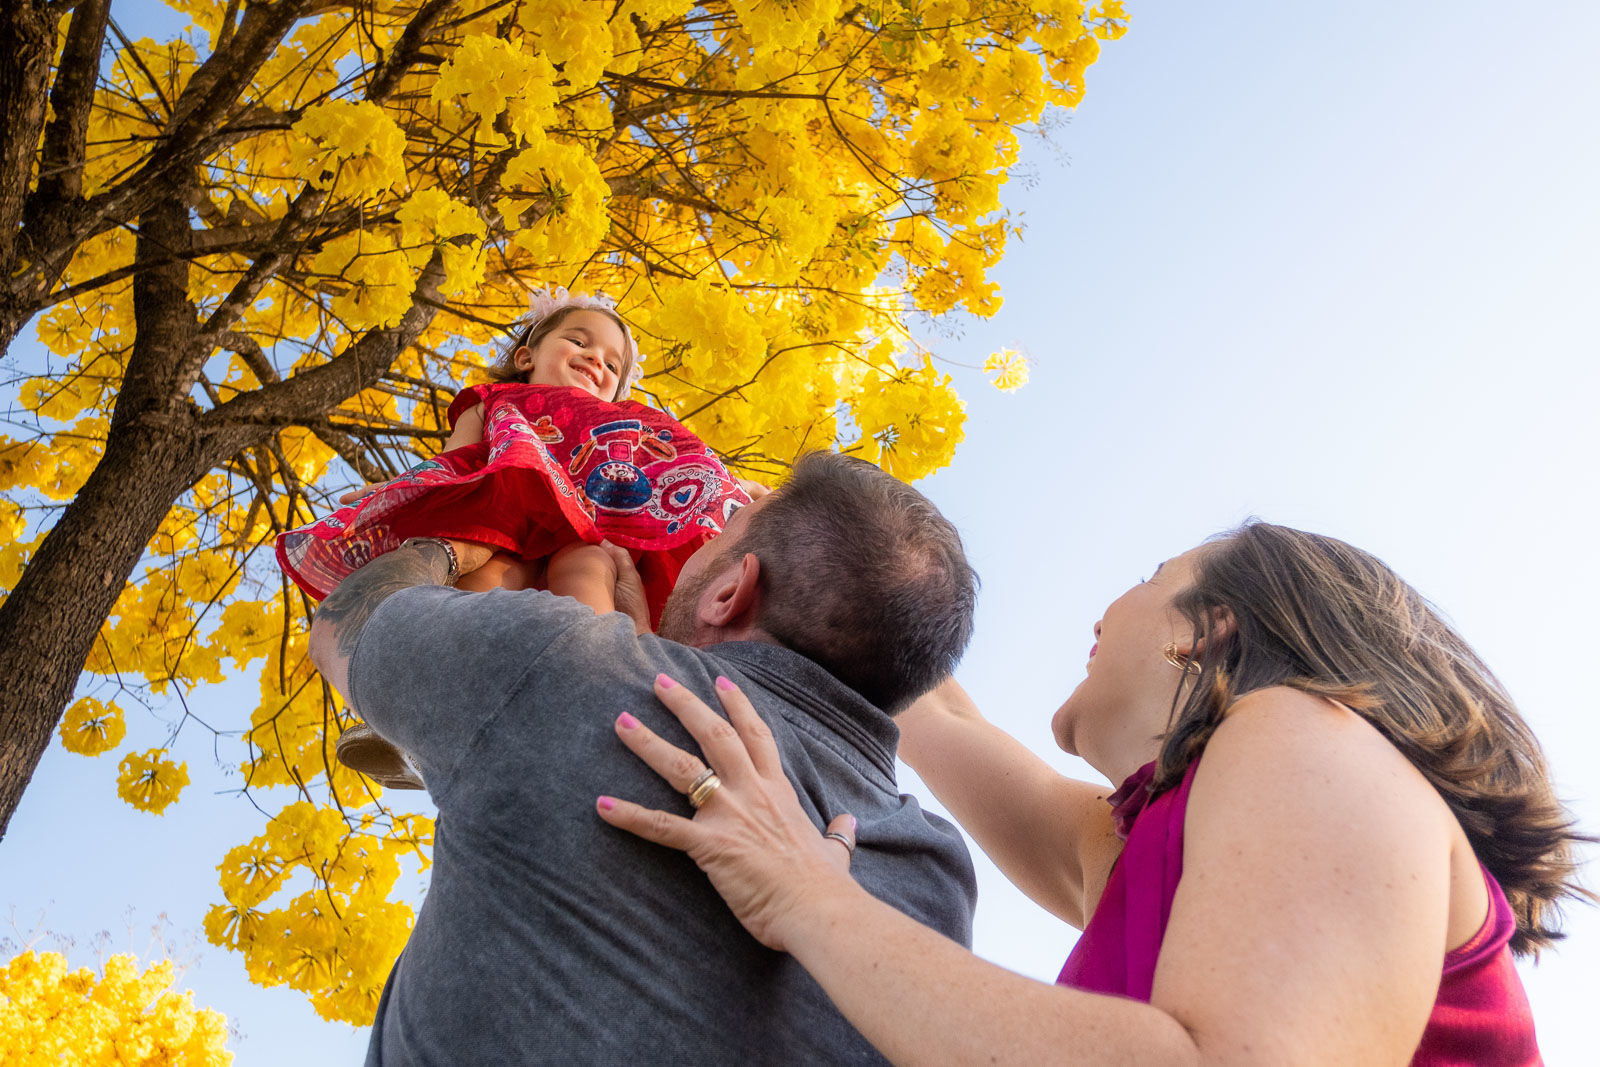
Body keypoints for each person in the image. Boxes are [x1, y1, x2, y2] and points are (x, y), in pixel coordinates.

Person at [599, 521, 1591, 1064]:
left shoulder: (1311, 735)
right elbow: (935, 714)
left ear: (1208, 626)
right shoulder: (1143, 840)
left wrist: (805, 896)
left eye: (1152, 572)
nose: (1101, 607)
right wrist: (783, 534)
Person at [306, 451, 981, 1064]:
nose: (693, 552)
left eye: (717, 536)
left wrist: (470, 539)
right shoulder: (937, 875)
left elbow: (345, 625)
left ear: (729, 592)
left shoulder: (567, 667)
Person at [278, 287, 749, 786]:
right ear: (526, 356)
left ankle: (594, 685)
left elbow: (681, 464)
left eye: (613, 365)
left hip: (591, 523)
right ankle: (427, 712)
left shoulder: (626, 424)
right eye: (578, 341)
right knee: (486, 582)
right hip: (508, 508)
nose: (596, 360)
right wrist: (397, 490)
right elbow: (451, 457)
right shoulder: (493, 399)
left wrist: (738, 493)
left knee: (588, 573)